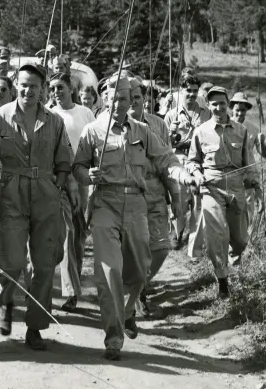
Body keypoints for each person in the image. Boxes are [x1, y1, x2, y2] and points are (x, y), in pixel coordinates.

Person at [73, 74, 196, 361]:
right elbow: (77, 165)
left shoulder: (141, 130)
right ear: (105, 100)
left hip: (137, 205)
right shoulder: (93, 131)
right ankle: (113, 336)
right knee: (109, 271)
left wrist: (182, 175)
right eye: (114, 98)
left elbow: (166, 159)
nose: (118, 104)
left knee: (141, 267)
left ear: (131, 101)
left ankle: (128, 310)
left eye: (124, 99)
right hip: (105, 203)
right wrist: (86, 174)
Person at [0, 63, 72, 351]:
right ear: (15, 85)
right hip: (11, 192)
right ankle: (6, 301)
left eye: (33, 85)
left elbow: (64, 162)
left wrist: (57, 186)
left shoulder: (54, 121)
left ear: (42, 88)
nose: (27, 90)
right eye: (22, 84)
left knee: (45, 263)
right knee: (13, 259)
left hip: (46, 194)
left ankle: (35, 326)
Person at [187, 86, 260, 298]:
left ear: (227, 104)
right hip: (211, 186)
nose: (218, 108)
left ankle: (229, 260)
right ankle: (222, 282)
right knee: (217, 235)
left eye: (222, 103)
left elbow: (249, 162)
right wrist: (196, 174)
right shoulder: (201, 132)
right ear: (208, 107)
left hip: (236, 187)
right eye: (214, 104)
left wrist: (256, 187)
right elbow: (193, 161)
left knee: (240, 239)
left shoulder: (241, 130)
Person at [127, 78, 179, 317]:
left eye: (137, 97)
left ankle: (138, 287)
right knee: (131, 250)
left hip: (155, 193)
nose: (133, 101)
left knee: (160, 248)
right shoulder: (106, 126)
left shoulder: (158, 125)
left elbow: (167, 162)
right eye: (129, 97)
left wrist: (176, 198)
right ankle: (134, 294)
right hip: (125, 196)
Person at [49, 72, 95, 312]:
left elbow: (92, 144)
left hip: (82, 178)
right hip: (58, 180)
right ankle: (69, 291)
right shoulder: (49, 114)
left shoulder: (84, 113)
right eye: (53, 88)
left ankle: (74, 281)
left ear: (71, 89)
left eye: (60, 87)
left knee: (78, 234)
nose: (56, 92)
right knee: (66, 234)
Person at [164, 74, 211, 250]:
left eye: (194, 91)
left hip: (200, 161)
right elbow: (164, 145)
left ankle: (195, 242)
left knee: (198, 201)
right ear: (181, 91)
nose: (191, 95)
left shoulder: (206, 113)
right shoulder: (171, 115)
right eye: (188, 91)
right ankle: (177, 233)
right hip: (179, 159)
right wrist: (170, 132)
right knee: (180, 201)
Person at [230, 92, 266, 233]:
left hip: (248, 177)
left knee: (247, 212)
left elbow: (265, 155)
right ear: (231, 108)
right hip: (230, 176)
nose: (240, 113)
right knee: (229, 212)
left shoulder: (253, 128)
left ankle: (245, 244)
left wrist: (263, 142)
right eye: (237, 110)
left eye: (243, 110)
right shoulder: (224, 126)